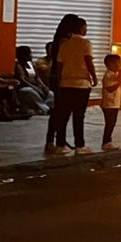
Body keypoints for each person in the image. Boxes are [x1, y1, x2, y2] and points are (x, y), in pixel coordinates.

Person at [45, 14, 97, 156]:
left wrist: (61, 80)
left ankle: (58, 143)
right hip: (80, 84)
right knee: (77, 116)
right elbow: (88, 61)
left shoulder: (62, 42)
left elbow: (59, 65)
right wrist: (94, 77)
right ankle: (78, 145)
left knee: (62, 114)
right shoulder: (84, 43)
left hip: (64, 83)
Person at [13, 45, 53, 116]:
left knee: (50, 93)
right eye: (29, 53)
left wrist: (43, 86)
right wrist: (35, 88)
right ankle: (45, 109)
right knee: (30, 91)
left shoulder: (31, 64)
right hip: (25, 87)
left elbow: (37, 77)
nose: (31, 55)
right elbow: (23, 80)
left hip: (35, 86)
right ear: (23, 56)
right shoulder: (18, 65)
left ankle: (48, 107)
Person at [99, 52, 121, 150]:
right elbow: (110, 88)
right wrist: (120, 82)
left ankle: (108, 141)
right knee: (110, 123)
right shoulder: (108, 75)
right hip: (109, 104)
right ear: (110, 64)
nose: (119, 65)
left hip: (113, 104)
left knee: (112, 123)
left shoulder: (114, 74)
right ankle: (106, 142)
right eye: (117, 63)